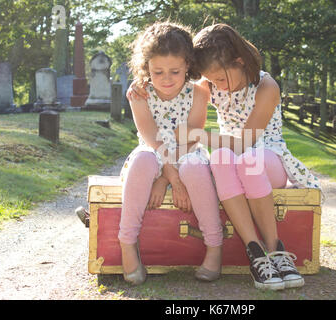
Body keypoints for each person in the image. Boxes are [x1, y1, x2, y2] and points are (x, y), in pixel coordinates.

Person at [128, 23, 321, 291]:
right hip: (230, 157)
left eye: (220, 79)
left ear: (239, 62)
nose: (217, 86)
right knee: (219, 158)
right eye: (212, 80)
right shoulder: (209, 82)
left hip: (267, 157)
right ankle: (255, 253)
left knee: (245, 160)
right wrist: (142, 81)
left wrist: (199, 135)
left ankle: (276, 249)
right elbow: (173, 78)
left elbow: (246, 143)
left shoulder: (266, 87)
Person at [120, 21, 223, 286]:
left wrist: (167, 179)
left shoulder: (198, 92)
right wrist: (170, 177)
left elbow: (192, 138)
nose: (166, 79)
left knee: (193, 167)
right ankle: (127, 242)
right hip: (154, 151)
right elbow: (151, 139)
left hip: (188, 151)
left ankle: (214, 245)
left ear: (188, 65)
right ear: (147, 68)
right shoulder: (140, 93)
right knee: (143, 160)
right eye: (158, 72)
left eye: (175, 71)